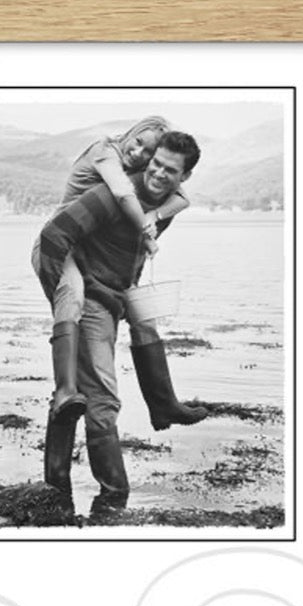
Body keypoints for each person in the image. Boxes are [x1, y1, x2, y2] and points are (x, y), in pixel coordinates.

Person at [35, 131, 207, 508]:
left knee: (146, 324)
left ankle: (161, 405)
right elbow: (54, 235)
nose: (159, 174)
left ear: (184, 177)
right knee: (103, 397)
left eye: (170, 170)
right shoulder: (112, 197)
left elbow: (134, 251)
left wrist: (128, 292)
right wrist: (66, 301)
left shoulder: (165, 207)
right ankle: (112, 495)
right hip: (93, 300)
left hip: (119, 293)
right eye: (156, 164)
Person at [31, 117, 193, 423]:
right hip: (57, 243)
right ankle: (65, 389)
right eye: (138, 142)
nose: (140, 154)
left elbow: (183, 197)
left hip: (80, 248)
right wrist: (148, 229)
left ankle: (162, 404)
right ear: (130, 133)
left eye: (149, 152)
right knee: (73, 298)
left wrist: (157, 213)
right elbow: (121, 193)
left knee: (144, 317)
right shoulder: (106, 154)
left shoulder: (142, 176)